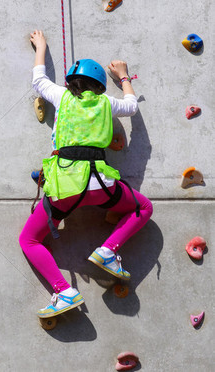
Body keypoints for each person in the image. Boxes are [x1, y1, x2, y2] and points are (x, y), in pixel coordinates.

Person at [19, 30, 153, 319]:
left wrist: (40, 47)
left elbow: (39, 81)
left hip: (66, 188)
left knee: (29, 240)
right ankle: (108, 250)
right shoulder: (106, 103)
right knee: (144, 206)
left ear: (71, 82)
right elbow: (130, 106)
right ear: (100, 87)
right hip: (101, 186)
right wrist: (124, 76)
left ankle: (63, 291)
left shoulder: (62, 96)